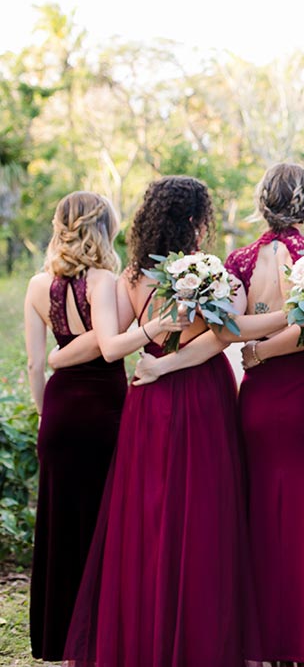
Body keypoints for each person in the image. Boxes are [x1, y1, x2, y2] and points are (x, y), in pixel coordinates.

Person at [148, 162, 304, 666]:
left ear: (261, 203)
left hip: (259, 402)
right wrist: (270, 347)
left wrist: (255, 352)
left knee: (258, 518)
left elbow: (226, 330)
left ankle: (261, 646)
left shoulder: (237, 260)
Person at [63, 176, 246, 667]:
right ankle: (195, 639)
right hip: (201, 393)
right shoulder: (212, 271)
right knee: (201, 515)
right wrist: (165, 350)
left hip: (150, 395)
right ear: (193, 221)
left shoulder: (130, 277)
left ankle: (145, 632)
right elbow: (220, 338)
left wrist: (155, 356)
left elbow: (112, 345)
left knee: (150, 514)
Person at [22, 192, 126, 661]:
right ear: (102, 228)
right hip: (102, 410)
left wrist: (46, 415)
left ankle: (59, 638)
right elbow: (110, 346)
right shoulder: (105, 280)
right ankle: (100, 632)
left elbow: (33, 363)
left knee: (59, 524)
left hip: (61, 412)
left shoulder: (36, 285)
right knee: (101, 520)